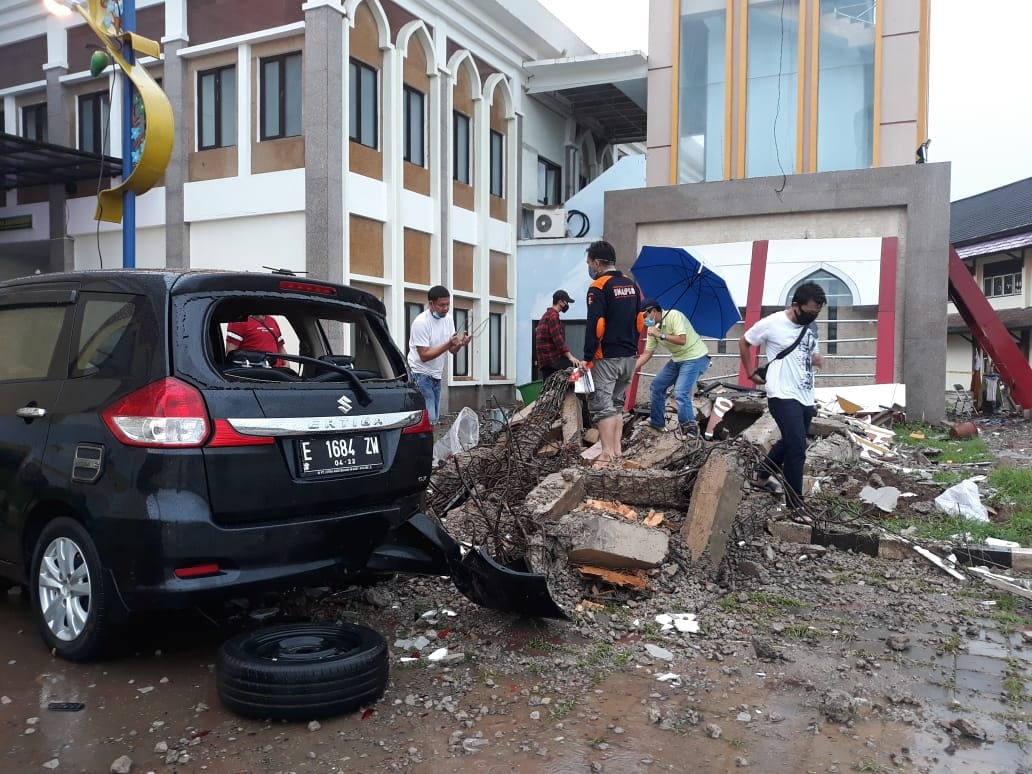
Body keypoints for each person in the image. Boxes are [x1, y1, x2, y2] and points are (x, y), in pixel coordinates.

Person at [738, 281, 826, 515]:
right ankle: (795, 505)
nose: (812, 317)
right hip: (781, 394)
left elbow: (810, 352)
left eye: (816, 313)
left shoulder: (811, 327)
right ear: (795, 305)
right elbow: (745, 341)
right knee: (797, 446)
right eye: (808, 313)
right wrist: (750, 371)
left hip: (806, 395)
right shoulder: (773, 323)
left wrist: (816, 359)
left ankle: (761, 475)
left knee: (790, 440)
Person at [581, 239, 642, 466]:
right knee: (616, 403)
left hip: (606, 356)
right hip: (629, 355)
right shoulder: (631, 285)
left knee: (601, 404)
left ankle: (606, 454)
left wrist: (588, 357)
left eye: (589, 263)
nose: (589, 267)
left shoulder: (599, 286)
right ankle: (616, 451)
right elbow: (639, 322)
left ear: (596, 263)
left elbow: (596, 324)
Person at [633, 299, 710, 436]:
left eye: (645, 316)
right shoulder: (653, 329)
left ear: (654, 311)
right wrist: (632, 369)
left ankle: (690, 430)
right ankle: (657, 422)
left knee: (680, 392)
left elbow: (682, 340)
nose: (644, 320)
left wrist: (660, 335)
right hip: (678, 359)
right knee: (657, 386)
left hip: (695, 357)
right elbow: (647, 354)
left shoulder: (674, 315)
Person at [407, 285, 471, 424]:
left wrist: (460, 344)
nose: (446, 308)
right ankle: (425, 445)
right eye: (442, 305)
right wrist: (449, 344)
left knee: (433, 418)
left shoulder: (448, 319)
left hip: (436, 375)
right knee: (428, 419)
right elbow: (424, 355)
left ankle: (428, 445)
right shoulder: (421, 322)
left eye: (448, 304)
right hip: (420, 374)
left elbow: (452, 350)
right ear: (431, 303)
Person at [535, 289, 582, 379]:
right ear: (560, 302)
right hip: (552, 360)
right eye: (566, 302)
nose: (567, 305)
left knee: (548, 388)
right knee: (577, 367)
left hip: (544, 362)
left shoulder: (546, 315)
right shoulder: (553, 316)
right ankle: (572, 392)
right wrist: (571, 357)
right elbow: (558, 341)